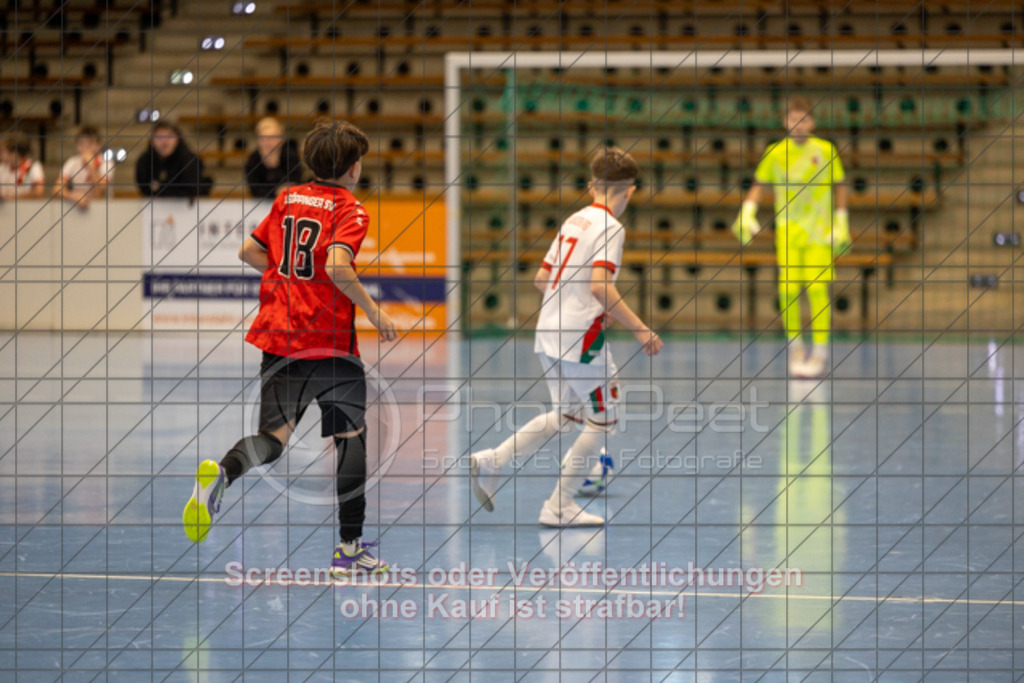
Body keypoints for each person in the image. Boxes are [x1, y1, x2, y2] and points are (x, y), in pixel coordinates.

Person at [182, 119, 398, 576]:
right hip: (329, 344)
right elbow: (339, 268)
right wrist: (375, 312)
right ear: (354, 167)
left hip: (279, 336)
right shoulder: (351, 210)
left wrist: (288, 275)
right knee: (350, 441)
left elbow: (248, 251)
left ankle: (222, 474)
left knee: (271, 441)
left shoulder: (287, 198)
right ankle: (349, 549)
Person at [469, 147, 663, 528]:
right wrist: (641, 327)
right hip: (581, 341)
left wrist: (573, 304)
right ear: (631, 190)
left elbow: (542, 279)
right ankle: (559, 507)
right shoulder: (612, 228)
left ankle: (493, 459)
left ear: (592, 184)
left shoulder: (574, 220)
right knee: (603, 420)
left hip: (548, 333)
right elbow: (600, 286)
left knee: (567, 415)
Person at [732, 96, 849, 378]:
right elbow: (759, 184)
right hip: (787, 232)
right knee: (788, 291)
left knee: (818, 290)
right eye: (793, 120)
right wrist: (748, 210)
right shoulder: (775, 152)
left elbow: (840, 185)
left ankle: (820, 351)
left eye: (803, 119)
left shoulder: (825, 150)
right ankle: (795, 347)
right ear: (785, 122)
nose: (798, 125)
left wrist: (841, 220)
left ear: (812, 122)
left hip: (819, 233)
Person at [135, 121, 207, 198]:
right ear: (152, 141)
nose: (165, 142)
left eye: (169, 137)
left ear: (178, 139)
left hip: (186, 208)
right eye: (160, 137)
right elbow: (144, 189)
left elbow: (192, 189)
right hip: (155, 206)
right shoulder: (145, 162)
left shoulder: (190, 161)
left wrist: (160, 187)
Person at [245, 116, 303, 199]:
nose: (267, 143)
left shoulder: (291, 155)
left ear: (281, 139)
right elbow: (255, 190)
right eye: (263, 138)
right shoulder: (253, 160)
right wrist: (276, 192)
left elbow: (296, 183)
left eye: (271, 138)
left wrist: (274, 166)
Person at [58, 125, 114, 209]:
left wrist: (91, 167)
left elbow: (97, 195)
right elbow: (57, 189)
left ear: (98, 146)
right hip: (78, 208)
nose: (85, 148)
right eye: (81, 144)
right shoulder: (72, 162)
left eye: (90, 144)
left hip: (103, 209)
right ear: (76, 145)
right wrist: (74, 196)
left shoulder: (106, 164)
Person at [0, 134, 46, 200]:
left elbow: (39, 192)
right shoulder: (2, 168)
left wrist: (11, 197)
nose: (0, 155)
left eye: (3, 151)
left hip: (26, 208)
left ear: (14, 153)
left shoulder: (33, 167)